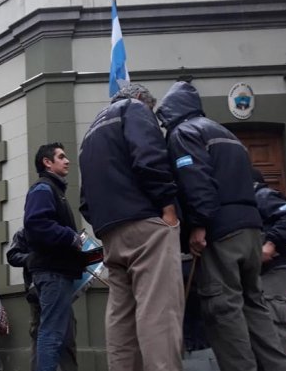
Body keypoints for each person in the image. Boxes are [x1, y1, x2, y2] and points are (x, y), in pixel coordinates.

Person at [156, 80, 286, 371]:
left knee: (223, 308)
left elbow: (196, 180)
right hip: (251, 230)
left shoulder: (183, 133)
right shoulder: (226, 133)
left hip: (221, 232)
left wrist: (198, 225)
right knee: (255, 305)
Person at [78, 83, 183, 371]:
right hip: (147, 225)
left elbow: (84, 198)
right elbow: (149, 157)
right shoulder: (135, 110)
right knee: (159, 311)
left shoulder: (91, 130)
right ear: (140, 99)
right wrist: (168, 207)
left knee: (120, 316)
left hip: (110, 232)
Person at [23, 143, 85, 371]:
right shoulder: (43, 188)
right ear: (47, 163)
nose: (67, 160)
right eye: (61, 157)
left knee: (58, 334)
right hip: (53, 272)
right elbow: (36, 224)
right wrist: (71, 236)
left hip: (57, 272)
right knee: (51, 334)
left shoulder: (54, 189)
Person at [6, 228, 77, 371]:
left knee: (68, 337)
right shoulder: (23, 233)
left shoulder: (56, 231)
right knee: (39, 337)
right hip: (37, 294)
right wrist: (32, 258)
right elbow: (12, 255)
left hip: (60, 291)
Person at [252, 168, 286, 367]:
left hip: (274, 269)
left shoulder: (262, 196)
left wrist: (270, 244)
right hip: (259, 272)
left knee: (273, 326)